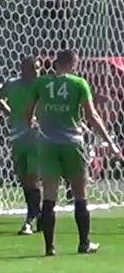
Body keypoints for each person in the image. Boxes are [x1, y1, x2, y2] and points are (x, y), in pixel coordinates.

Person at [29, 49, 119, 256]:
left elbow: (28, 114)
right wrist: (110, 142)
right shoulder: (79, 83)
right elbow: (92, 116)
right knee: (80, 193)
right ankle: (83, 243)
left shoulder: (40, 83)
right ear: (73, 64)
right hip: (72, 143)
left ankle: (49, 247)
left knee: (49, 194)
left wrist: (35, 123)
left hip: (47, 144)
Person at [0, 56, 44, 235]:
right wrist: (11, 113)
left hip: (37, 138)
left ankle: (29, 220)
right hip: (17, 138)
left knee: (33, 178)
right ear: (23, 69)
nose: (36, 72)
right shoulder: (12, 85)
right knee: (25, 180)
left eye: (38, 68)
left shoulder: (42, 87)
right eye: (33, 68)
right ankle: (39, 215)